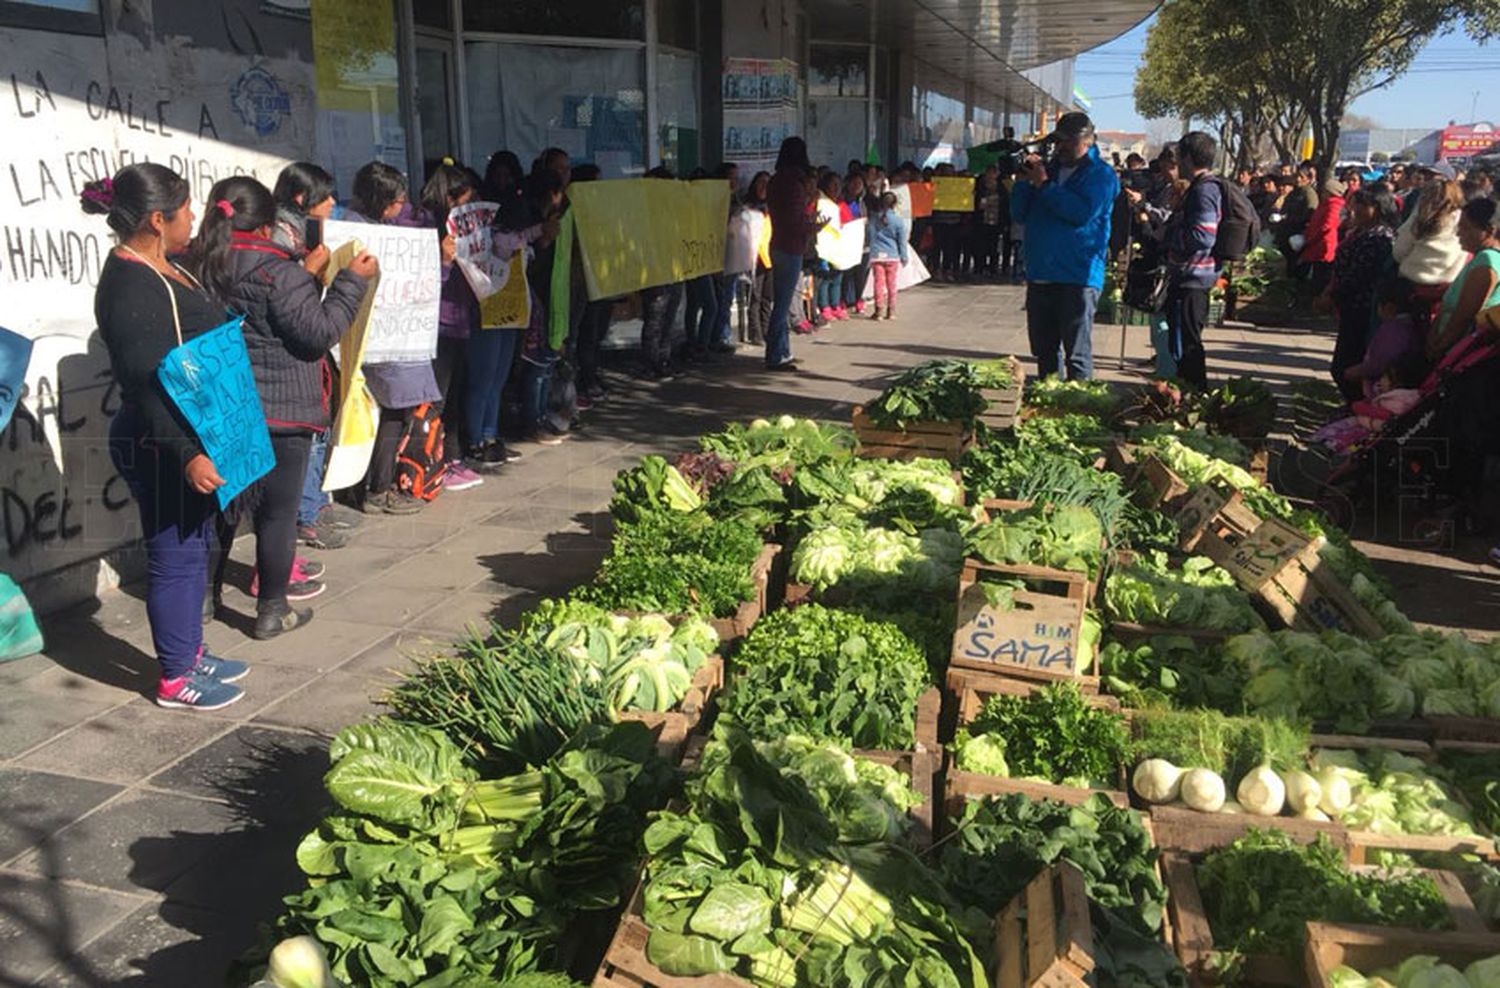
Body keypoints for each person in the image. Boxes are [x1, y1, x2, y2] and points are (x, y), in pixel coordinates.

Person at [84, 163, 249, 710]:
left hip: (191, 432)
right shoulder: (130, 286)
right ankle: (176, 678)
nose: (192, 219)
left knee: (195, 544)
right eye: (184, 211)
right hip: (163, 441)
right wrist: (187, 456)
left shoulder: (163, 264)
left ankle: (189, 651)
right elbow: (148, 383)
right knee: (175, 553)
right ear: (158, 220)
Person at [188, 176, 374, 638]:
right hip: (283, 412)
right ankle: (273, 609)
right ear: (268, 221)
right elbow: (316, 333)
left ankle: (204, 602)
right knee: (278, 515)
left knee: (224, 510)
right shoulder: (278, 270)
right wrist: (351, 283)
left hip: (226, 409)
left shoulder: (196, 264)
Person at [271, 162, 362, 553]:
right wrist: (309, 273)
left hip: (313, 349)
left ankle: (313, 506)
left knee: (319, 432)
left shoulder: (306, 231)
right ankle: (304, 516)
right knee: (306, 439)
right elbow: (288, 301)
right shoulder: (278, 236)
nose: (331, 204)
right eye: (324, 197)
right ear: (299, 198)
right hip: (293, 354)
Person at [345, 161, 441, 513]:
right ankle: (377, 489)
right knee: (392, 412)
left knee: (391, 411)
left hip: (389, 335)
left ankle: (371, 486)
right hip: (379, 340)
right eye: (396, 199)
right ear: (379, 199)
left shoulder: (373, 226)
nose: (402, 204)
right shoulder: (360, 232)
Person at [1011, 111, 1121, 380]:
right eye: (1058, 141)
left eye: (1068, 142)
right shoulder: (1049, 170)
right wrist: (1025, 183)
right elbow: (1018, 213)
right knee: (1044, 349)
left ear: (1087, 141)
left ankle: (1078, 405)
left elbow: (1081, 213)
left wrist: (1045, 186)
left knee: (1076, 352)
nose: (1061, 147)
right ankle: (1050, 400)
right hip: (1041, 272)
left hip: (1078, 275)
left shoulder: (1101, 175)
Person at [420, 161, 486, 489]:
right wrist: (444, 261)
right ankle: (430, 462)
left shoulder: (462, 227)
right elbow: (424, 286)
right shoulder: (426, 228)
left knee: (455, 393)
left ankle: (453, 457)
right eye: (462, 202)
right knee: (438, 397)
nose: (466, 209)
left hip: (460, 319)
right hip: (439, 325)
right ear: (449, 198)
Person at [1323, 186, 1399, 400]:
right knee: (1344, 364)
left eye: (1361, 205)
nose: (1354, 209)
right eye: (1354, 204)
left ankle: (1356, 407)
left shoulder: (1379, 238)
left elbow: (1358, 276)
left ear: (1377, 208)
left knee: (1345, 367)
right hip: (1348, 306)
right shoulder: (1359, 231)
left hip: (1363, 309)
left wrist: (1331, 296)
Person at [1162, 132, 1224, 390]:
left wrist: (1171, 235)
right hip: (1192, 277)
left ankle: (1194, 396)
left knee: (1187, 345)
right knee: (1184, 343)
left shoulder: (1203, 191)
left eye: (1180, 157)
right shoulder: (1202, 188)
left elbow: (1203, 236)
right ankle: (1189, 395)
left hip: (1193, 278)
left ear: (1188, 157)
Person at [1426, 196, 1500, 362]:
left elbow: (1462, 318)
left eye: (1465, 228)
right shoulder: (1479, 258)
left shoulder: (1486, 263)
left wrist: (1439, 349)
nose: (1458, 233)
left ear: (1489, 231)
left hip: (1455, 353)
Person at [1310, 350, 1427, 454]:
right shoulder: (1394, 396)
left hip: (1373, 431)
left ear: (1395, 382)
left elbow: (1383, 418)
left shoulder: (1397, 401)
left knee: (1351, 434)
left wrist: (1361, 411)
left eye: (1384, 377)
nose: (1381, 380)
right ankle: (1325, 440)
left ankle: (1329, 445)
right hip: (1370, 426)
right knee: (1348, 426)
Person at [765, 137, 816, 370]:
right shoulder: (794, 183)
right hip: (791, 245)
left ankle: (783, 351)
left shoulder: (775, 180)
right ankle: (776, 354)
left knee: (781, 302)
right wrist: (813, 226)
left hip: (777, 243)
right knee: (783, 304)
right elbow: (794, 221)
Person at [1342, 277, 1425, 400]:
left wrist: (1356, 371)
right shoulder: (1409, 326)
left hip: (1384, 392)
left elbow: (1380, 362)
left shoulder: (1394, 331)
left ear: (1388, 307)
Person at [1393, 178, 1466, 292]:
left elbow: (1399, 252)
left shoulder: (1418, 219)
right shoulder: (1463, 220)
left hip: (1410, 286)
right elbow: (1464, 254)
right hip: (1446, 289)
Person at [1300, 177, 1347, 298]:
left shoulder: (1334, 206)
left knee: (1321, 274)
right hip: (1317, 242)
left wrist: (1312, 238)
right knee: (1316, 272)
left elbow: (1328, 225)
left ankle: (1319, 299)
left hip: (1324, 244)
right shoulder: (1326, 204)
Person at [865, 191, 909, 320]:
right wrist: (904, 256)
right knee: (892, 284)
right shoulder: (898, 221)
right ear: (894, 204)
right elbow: (902, 241)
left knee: (878, 283)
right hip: (892, 255)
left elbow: (870, 237)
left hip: (877, 255)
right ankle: (891, 311)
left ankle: (879, 310)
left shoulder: (874, 218)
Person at [742, 170, 773, 345]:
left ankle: (766, 329)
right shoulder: (748, 206)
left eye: (767, 183)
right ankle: (756, 333)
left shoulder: (773, 205)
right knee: (755, 296)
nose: (764, 187)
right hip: (754, 257)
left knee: (767, 297)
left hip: (770, 256)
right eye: (760, 182)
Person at [1277, 164, 1319, 280]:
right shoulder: (1294, 193)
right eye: (1297, 176)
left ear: (1309, 179)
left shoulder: (1309, 194)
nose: (1298, 179)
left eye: (1302, 177)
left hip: (1299, 232)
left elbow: (1311, 212)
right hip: (1288, 230)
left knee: (1297, 264)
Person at [841, 172, 869, 315]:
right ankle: (843, 301)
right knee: (847, 274)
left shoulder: (862, 202)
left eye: (860, 184)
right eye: (854, 183)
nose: (857, 186)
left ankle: (859, 300)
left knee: (860, 275)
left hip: (862, 244)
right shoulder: (842, 201)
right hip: (847, 243)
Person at [972, 165, 1004, 279]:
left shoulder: (1001, 187)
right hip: (981, 220)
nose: (991, 176)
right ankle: (979, 267)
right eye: (989, 173)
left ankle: (993, 268)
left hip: (995, 221)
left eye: (993, 173)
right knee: (980, 246)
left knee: (993, 246)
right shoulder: (979, 186)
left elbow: (1004, 205)